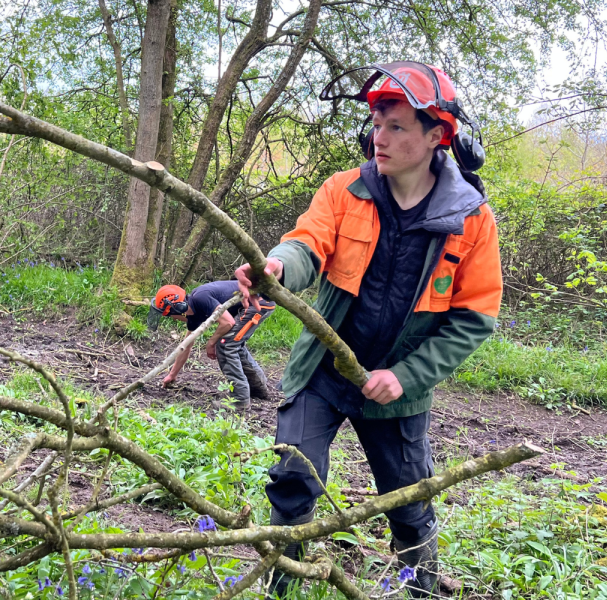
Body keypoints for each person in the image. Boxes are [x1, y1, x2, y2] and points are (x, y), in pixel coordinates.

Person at [234, 62, 502, 598]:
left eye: (397, 126)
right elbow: (307, 243)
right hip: (323, 373)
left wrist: (405, 376)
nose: (379, 137)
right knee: (292, 480)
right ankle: (281, 588)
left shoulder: (471, 220)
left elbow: (474, 317)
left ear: (434, 137)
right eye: (377, 124)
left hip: (398, 392)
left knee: (408, 500)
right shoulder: (344, 190)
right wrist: (278, 267)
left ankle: (421, 587)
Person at [149, 281, 277, 410]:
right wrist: (172, 375)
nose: (173, 319)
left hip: (258, 302)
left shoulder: (201, 298)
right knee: (232, 343)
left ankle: (240, 401)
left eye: (170, 315)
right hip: (252, 304)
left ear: (179, 308)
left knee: (226, 345)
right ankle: (258, 388)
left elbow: (228, 322)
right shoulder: (194, 313)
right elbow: (186, 346)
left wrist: (211, 342)